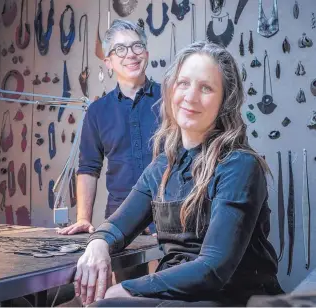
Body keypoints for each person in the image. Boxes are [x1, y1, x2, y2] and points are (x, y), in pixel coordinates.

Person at [73, 41, 285, 307]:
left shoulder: (239, 165)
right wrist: (98, 245)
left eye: (206, 88)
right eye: (183, 83)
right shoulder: (162, 168)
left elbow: (212, 269)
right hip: (182, 295)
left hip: (233, 297)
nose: (190, 96)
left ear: (224, 102)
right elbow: (117, 225)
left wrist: (128, 288)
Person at [58, 19, 160, 236]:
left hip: (169, 217)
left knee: (164, 271)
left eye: (137, 46)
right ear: (108, 62)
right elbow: (88, 168)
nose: (130, 54)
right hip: (119, 220)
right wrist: (83, 219)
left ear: (146, 54)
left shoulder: (171, 99)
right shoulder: (96, 111)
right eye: (120, 49)